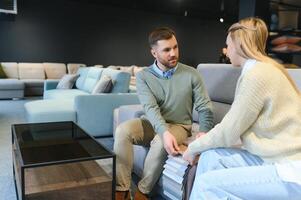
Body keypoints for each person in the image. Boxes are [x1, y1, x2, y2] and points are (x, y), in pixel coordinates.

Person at [183, 17, 301, 199]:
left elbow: (229, 131)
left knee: (207, 185)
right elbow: (235, 124)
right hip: (272, 157)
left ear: (239, 45)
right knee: (211, 157)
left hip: (289, 169)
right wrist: (204, 145)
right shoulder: (263, 69)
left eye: (227, 44)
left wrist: (192, 148)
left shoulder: (257, 75)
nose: (226, 50)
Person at [114, 27, 214, 200]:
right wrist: (164, 131)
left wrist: (203, 133)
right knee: (123, 130)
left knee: (161, 142)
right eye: (166, 50)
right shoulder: (144, 76)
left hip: (179, 125)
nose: (173, 53)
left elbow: (205, 107)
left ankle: (142, 192)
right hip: (152, 122)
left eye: (175, 47)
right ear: (154, 52)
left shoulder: (191, 74)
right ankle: (121, 190)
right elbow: (150, 108)